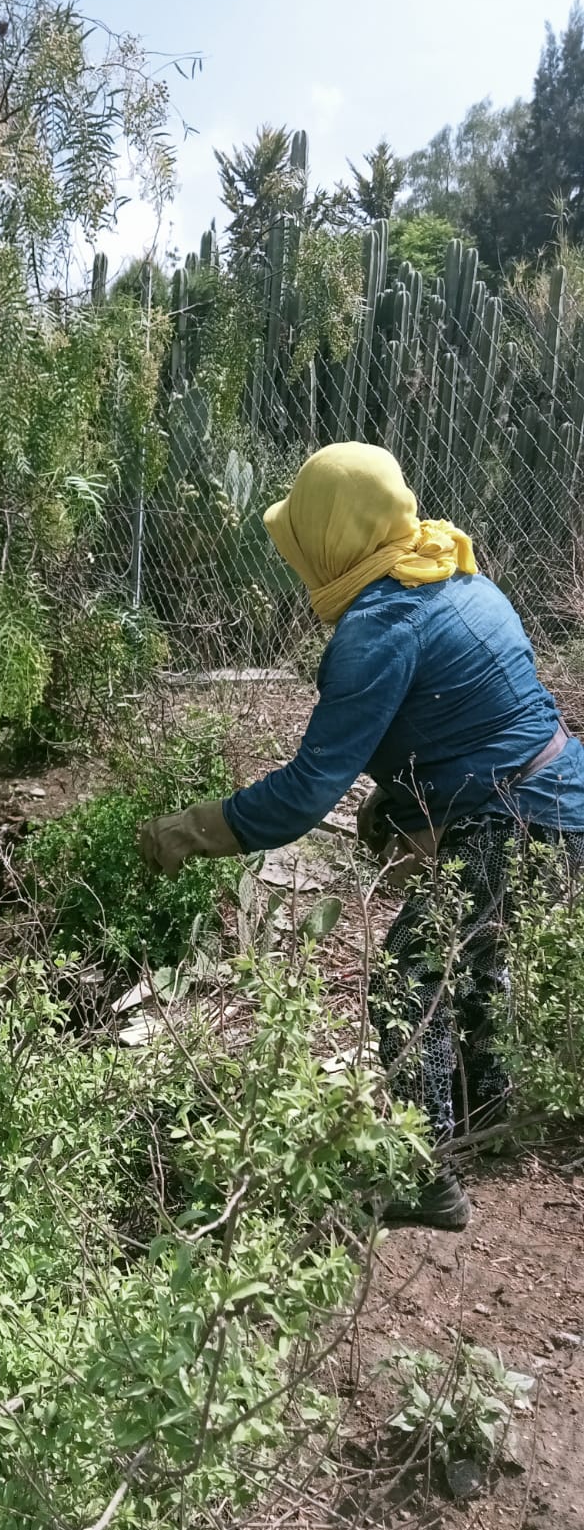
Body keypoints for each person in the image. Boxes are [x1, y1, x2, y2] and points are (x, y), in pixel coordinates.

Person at [138, 442, 584, 1231]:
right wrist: (399, 804)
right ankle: (488, 1112)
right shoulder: (449, 567)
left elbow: (306, 793)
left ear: (333, 533)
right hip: (559, 806)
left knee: (412, 979)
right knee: (470, 961)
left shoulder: (379, 627)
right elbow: (466, 723)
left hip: (516, 820)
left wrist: (191, 830)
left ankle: (426, 1178)